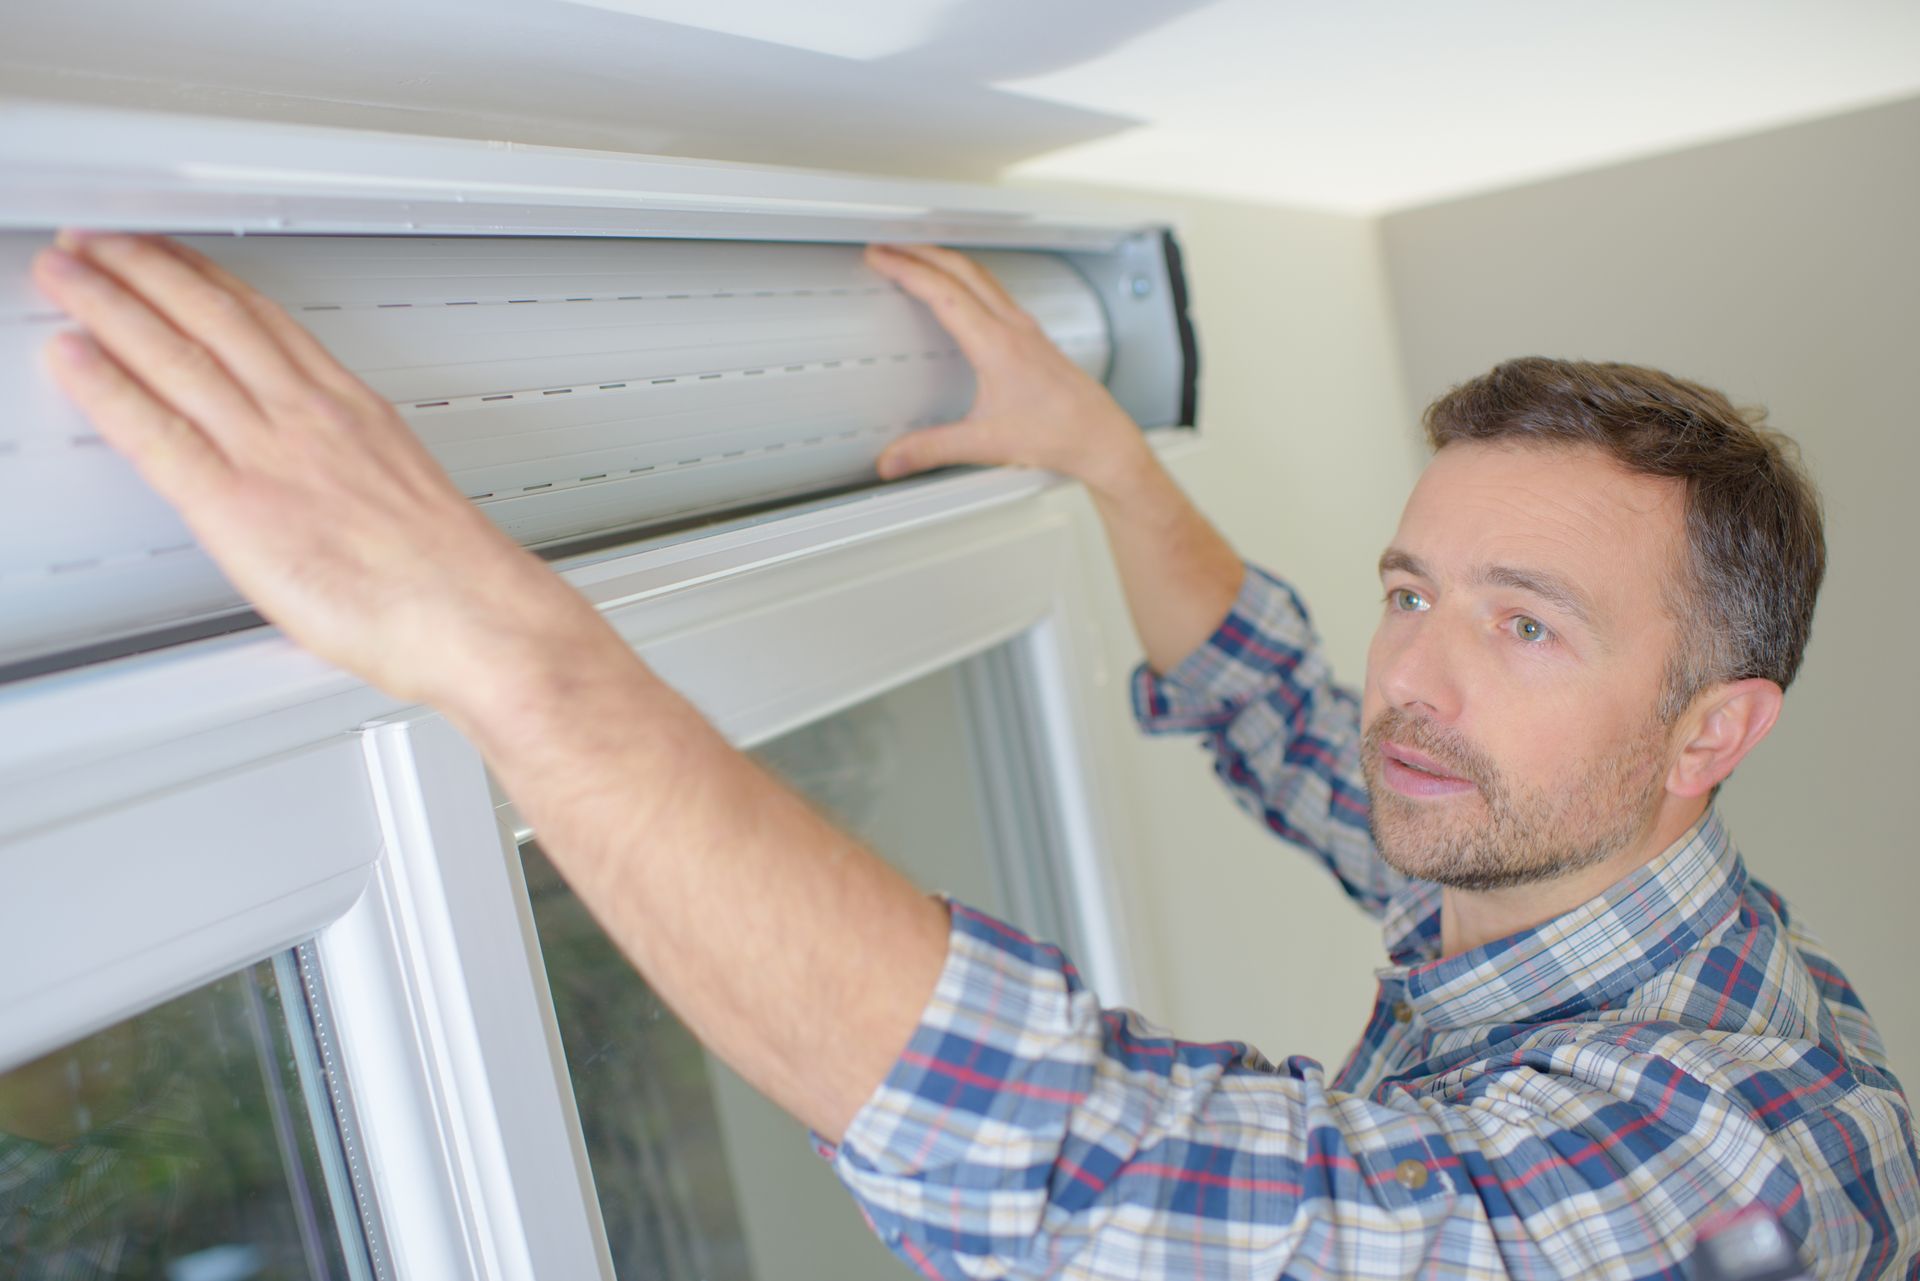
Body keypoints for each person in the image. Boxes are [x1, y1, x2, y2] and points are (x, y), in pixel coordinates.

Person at [28, 232, 1919, 1278]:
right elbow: (1293, 719)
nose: (1412, 677)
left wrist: (496, 644)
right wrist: (1101, 454)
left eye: (1524, 623)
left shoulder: (1759, 1147)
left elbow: (1104, 1178)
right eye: (1408, 589)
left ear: (1715, 731)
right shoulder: (1545, 860)